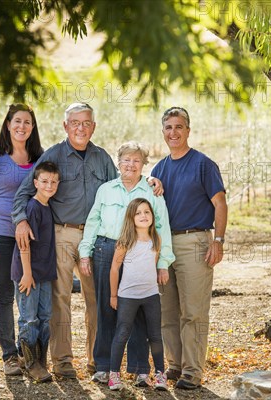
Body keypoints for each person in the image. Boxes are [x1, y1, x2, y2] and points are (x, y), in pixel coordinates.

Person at [12, 102, 118, 378]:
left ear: (93, 126)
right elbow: (24, 192)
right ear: (65, 126)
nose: (81, 128)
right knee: (60, 300)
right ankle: (63, 362)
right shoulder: (54, 155)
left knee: (98, 298)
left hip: (95, 237)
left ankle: (98, 360)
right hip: (61, 235)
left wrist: (150, 183)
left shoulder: (102, 158)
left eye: (86, 123)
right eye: (75, 123)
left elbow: (120, 192)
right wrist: (20, 221)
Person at [78, 142, 174, 386]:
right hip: (106, 249)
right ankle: (103, 367)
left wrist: (162, 263)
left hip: (140, 252)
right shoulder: (106, 190)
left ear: (143, 165)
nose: (131, 165)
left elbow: (162, 227)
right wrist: (85, 253)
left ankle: (140, 369)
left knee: (140, 310)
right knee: (107, 308)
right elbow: (93, 220)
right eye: (126, 160)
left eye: (137, 161)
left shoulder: (153, 192)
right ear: (118, 162)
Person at [151, 106, 227, 390]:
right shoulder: (159, 169)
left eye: (179, 127)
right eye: (168, 127)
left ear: (188, 130)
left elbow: (220, 203)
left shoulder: (203, 164)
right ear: (163, 132)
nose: (174, 132)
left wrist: (217, 241)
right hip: (164, 244)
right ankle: (175, 364)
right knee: (166, 310)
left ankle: (192, 372)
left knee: (192, 311)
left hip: (194, 241)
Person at [0, 103, 44, 376]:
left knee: (28, 292)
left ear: (33, 127)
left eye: (27, 122)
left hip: (29, 233)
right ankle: (9, 356)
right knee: (4, 294)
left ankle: (29, 351)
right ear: (7, 124)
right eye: (17, 121)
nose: (21, 127)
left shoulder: (40, 157)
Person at [107, 198, 168, 391]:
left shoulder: (156, 239)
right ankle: (113, 375)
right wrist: (114, 295)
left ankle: (160, 374)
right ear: (131, 218)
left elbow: (152, 264)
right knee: (122, 333)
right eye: (138, 213)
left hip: (151, 295)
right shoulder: (126, 241)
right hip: (127, 296)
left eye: (147, 212)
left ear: (152, 215)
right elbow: (115, 268)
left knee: (155, 335)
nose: (143, 216)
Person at [11, 161, 60, 383]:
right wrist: (27, 273)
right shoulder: (32, 208)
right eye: (44, 181)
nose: (49, 185)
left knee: (44, 316)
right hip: (27, 273)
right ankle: (31, 364)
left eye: (53, 181)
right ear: (35, 183)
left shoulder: (48, 207)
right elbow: (24, 244)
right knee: (29, 318)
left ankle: (40, 360)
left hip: (44, 273)